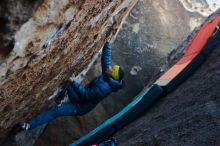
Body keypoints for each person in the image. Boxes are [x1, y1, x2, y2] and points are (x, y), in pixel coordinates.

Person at [19, 42, 125, 130]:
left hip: (79, 106)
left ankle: (29, 125)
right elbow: (106, 60)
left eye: (112, 69)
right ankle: (59, 99)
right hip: (79, 97)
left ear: (113, 75)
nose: (110, 67)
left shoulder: (104, 89)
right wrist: (107, 43)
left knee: (57, 111)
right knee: (66, 83)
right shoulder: (108, 76)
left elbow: (86, 96)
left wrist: (74, 82)